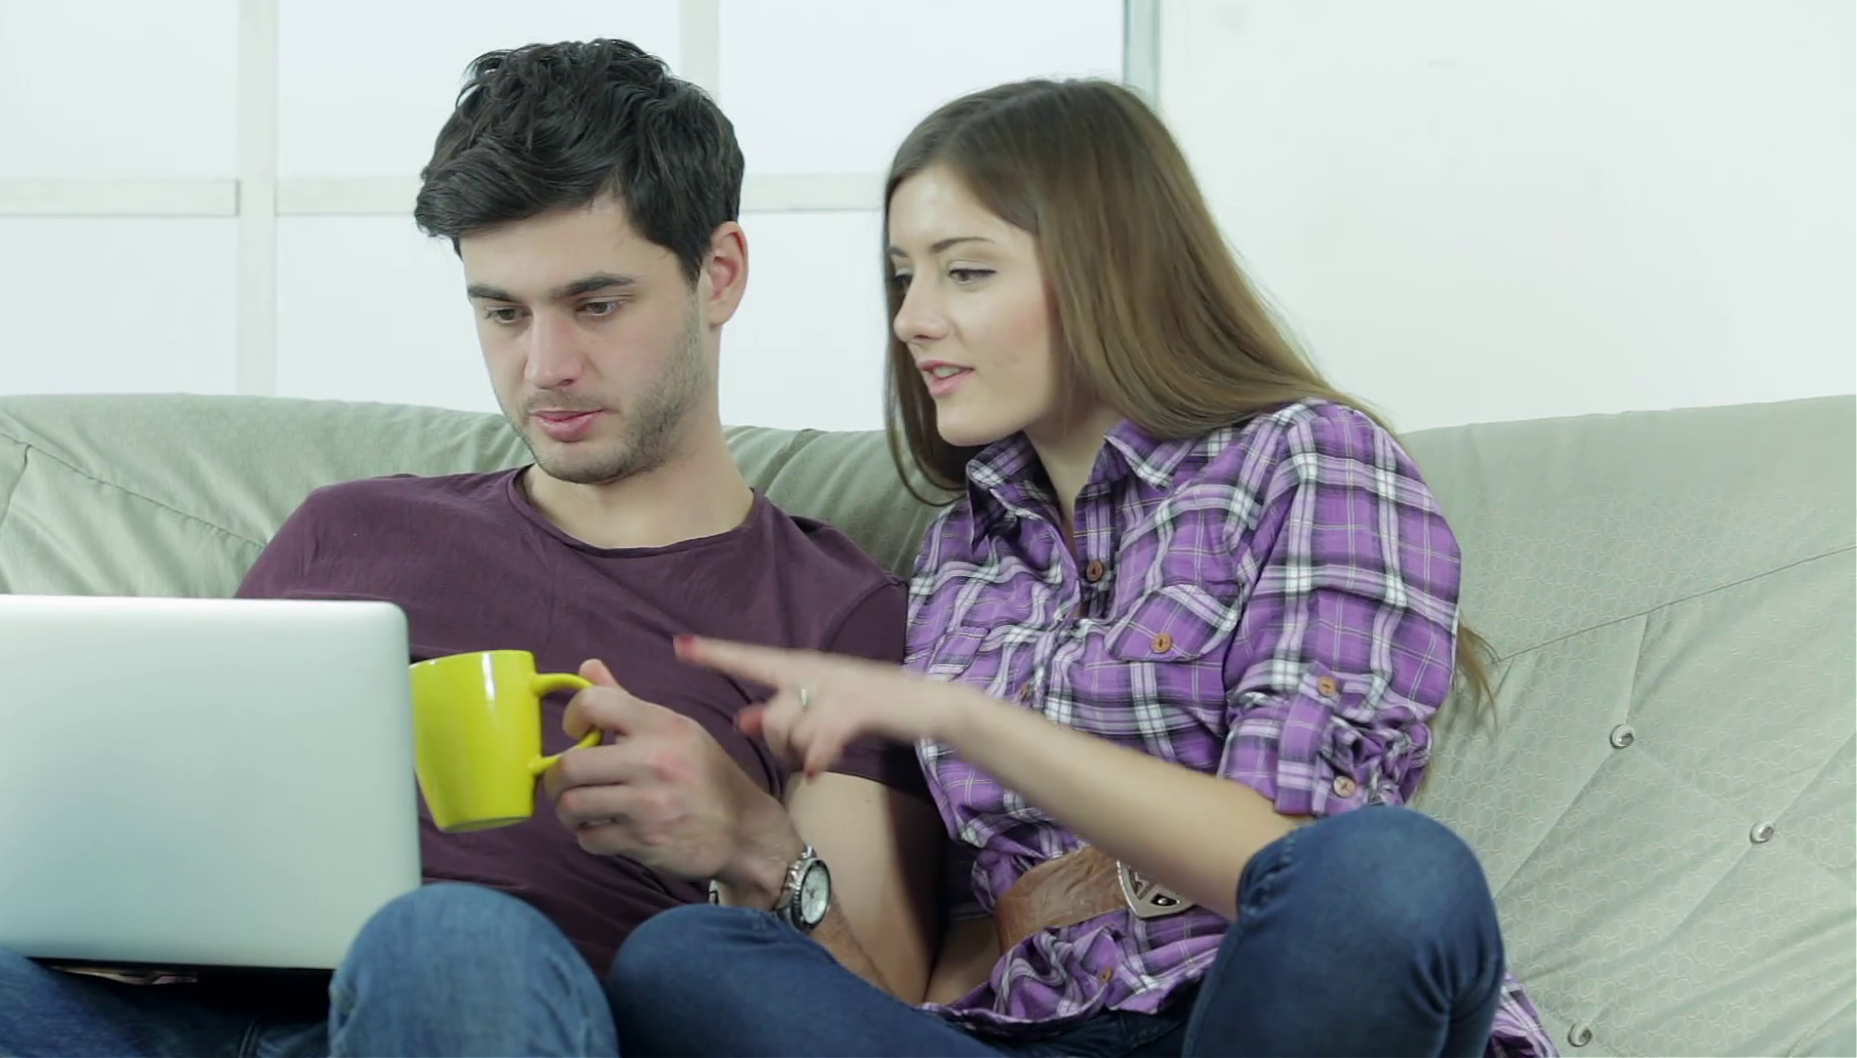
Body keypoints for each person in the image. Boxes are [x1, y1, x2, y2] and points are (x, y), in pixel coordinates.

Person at [0, 40, 943, 1058]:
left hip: (485, 1006)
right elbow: (193, 811)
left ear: (717, 275)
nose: (544, 367)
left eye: (596, 305)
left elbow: (885, 1011)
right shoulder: (347, 528)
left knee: (449, 936)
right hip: (172, 1025)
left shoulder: (833, 615)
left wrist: (754, 845)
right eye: (503, 312)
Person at [604, 78, 1560, 1058]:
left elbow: (1289, 857)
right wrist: (759, 848)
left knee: (1393, 872)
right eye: (902, 277)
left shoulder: (1307, 460)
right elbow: (951, 951)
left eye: (965, 272)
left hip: (1257, 1009)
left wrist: (962, 716)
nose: (912, 319)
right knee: (686, 959)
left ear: (1111, 271)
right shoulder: (960, 554)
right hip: (1039, 1033)